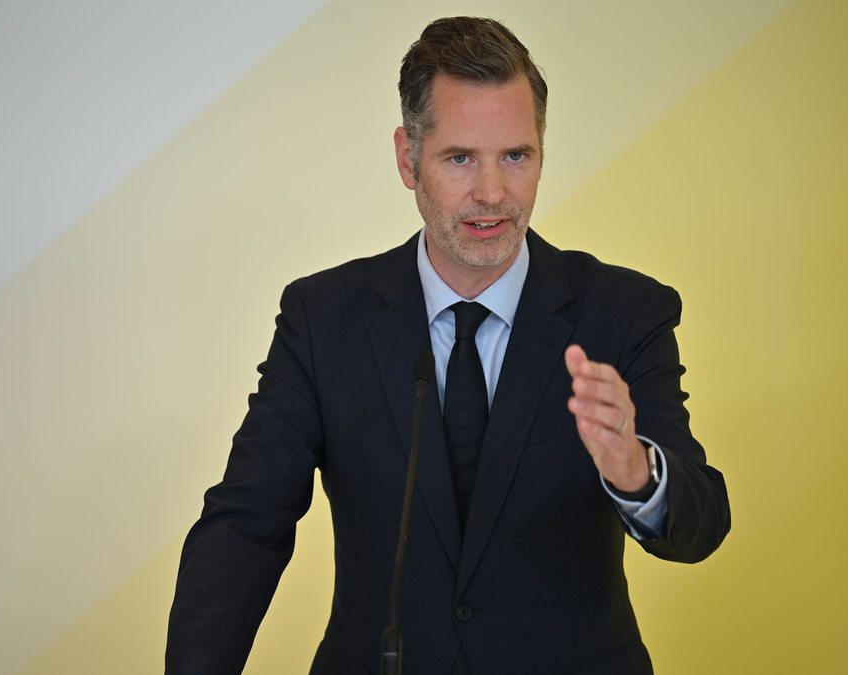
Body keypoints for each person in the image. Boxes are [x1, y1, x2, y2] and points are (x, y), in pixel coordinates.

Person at [166, 16, 730, 675]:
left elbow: (702, 523)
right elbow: (246, 522)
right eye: (461, 158)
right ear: (408, 158)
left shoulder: (624, 312)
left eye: (515, 156)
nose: (492, 193)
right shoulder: (323, 319)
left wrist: (636, 472)